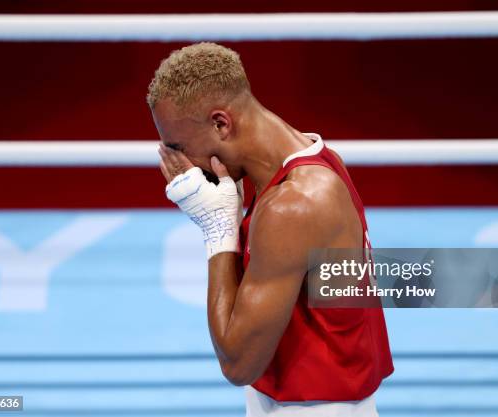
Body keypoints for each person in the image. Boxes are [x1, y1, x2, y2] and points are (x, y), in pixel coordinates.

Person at [148, 42, 393, 416]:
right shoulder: (310, 161)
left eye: (178, 146)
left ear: (220, 123)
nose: (179, 164)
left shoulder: (292, 205)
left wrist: (218, 230)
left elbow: (238, 363)